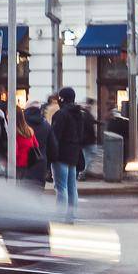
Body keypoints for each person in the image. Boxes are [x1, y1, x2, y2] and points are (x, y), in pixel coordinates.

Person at [50, 86, 88, 220]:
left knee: (61, 187)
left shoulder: (60, 115)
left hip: (61, 155)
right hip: (74, 155)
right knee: (72, 187)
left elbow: (55, 136)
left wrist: (51, 154)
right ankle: (71, 215)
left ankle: (60, 215)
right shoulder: (80, 114)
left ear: (61, 99)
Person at [23, 101, 56, 187]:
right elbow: (53, 148)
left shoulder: (20, 124)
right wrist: (48, 165)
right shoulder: (46, 125)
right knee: (37, 194)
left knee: (22, 194)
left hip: (23, 164)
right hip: (41, 163)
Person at [14, 108, 45, 185]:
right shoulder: (29, 130)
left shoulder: (14, 131)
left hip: (18, 164)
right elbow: (36, 144)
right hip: (29, 163)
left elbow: (15, 152)